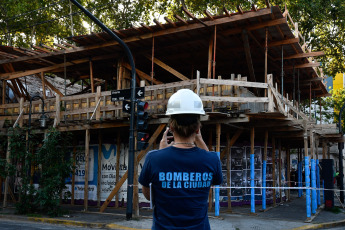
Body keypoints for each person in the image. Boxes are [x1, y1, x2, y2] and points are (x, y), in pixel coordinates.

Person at [139, 89, 223, 230]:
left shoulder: (153, 158)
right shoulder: (212, 159)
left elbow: (149, 197)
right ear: (198, 128)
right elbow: (212, 181)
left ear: (171, 127)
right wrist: (200, 140)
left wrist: (162, 152)